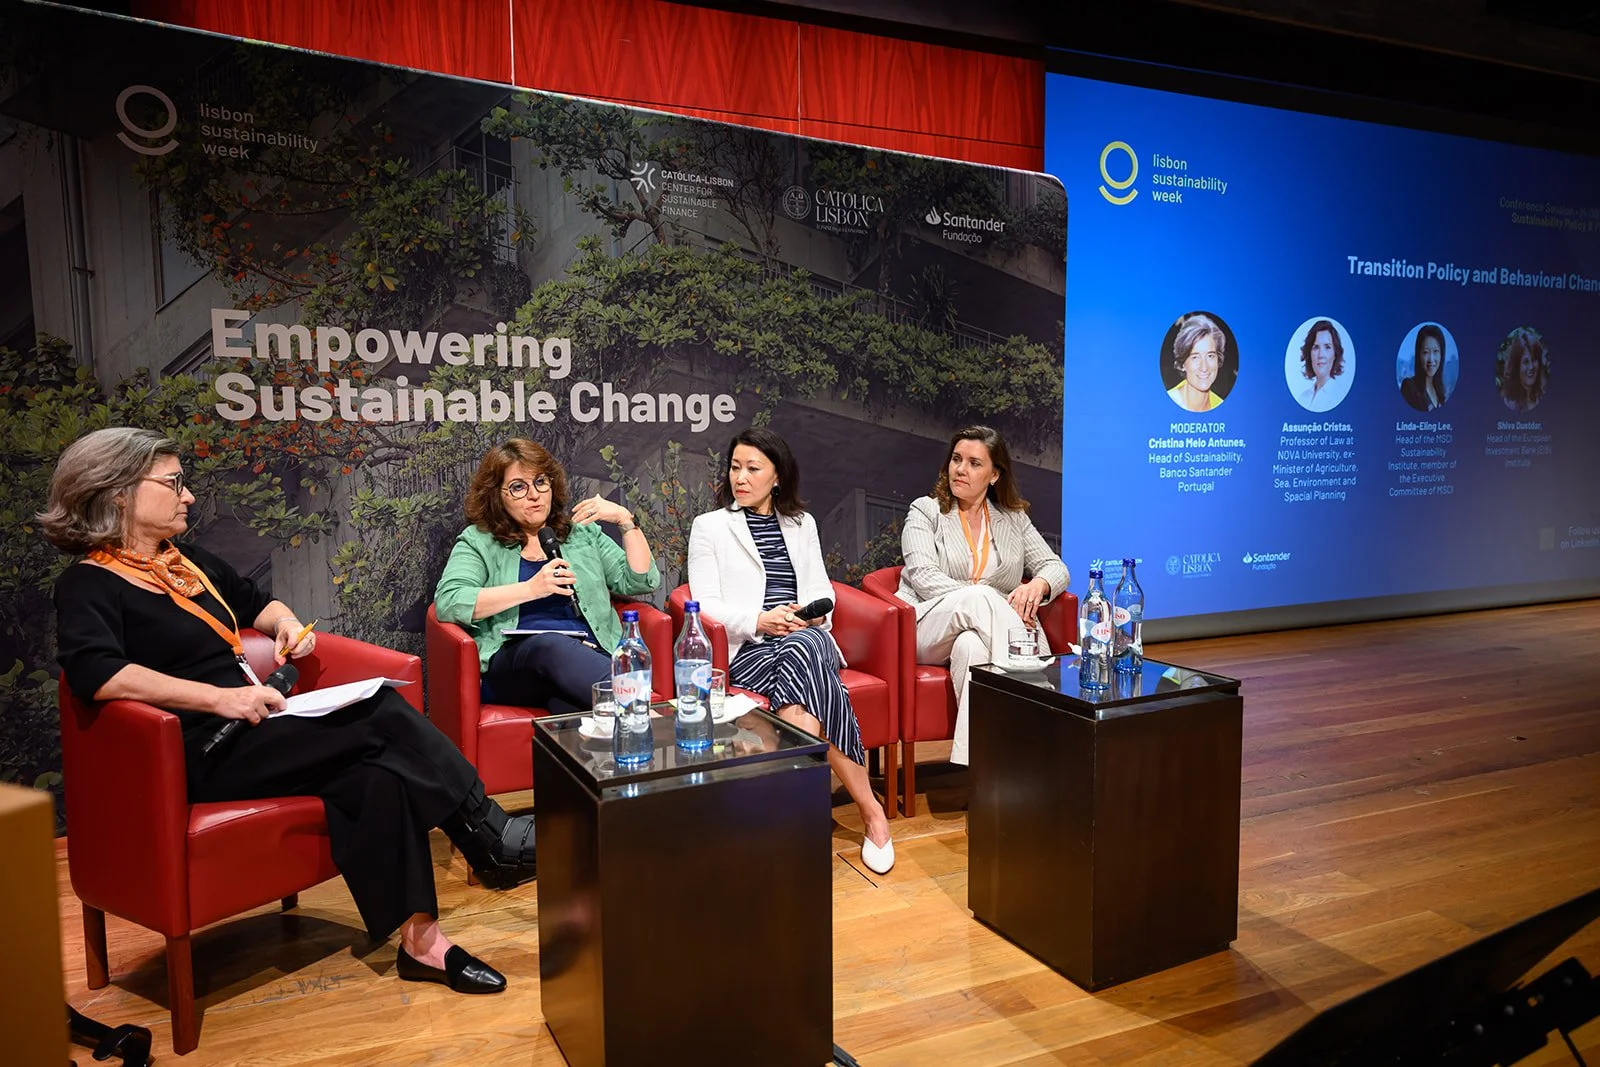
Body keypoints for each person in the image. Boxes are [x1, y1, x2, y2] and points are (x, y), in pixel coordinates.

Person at [45, 428, 537, 996]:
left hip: (253, 729)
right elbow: (95, 674)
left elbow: (258, 603)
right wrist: (223, 698)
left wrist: (282, 625)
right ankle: (490, 836)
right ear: (119, 495)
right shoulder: (89, 584)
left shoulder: (185, 562)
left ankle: (423, 944)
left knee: (377, 776)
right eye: (175, 483)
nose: (189, 497)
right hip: (198, 749)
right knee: (377, 707)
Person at [686, 427, 894, 874]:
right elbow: (705, 603)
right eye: (735, 467)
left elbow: (823, 589)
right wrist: (760, 620)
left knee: (805, 644)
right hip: (750, 648)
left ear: (776, 476)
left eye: (752, 468)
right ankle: (871, 813)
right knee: (806, 691)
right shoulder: (710, 528)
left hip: (803, 635)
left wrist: (812, 613)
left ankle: (791, 824)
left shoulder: (802, 525)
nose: (740, 477)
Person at [433, 439, 659, 712]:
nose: (534, 495)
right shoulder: (480, 541)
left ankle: (617, 737)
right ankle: (635, 703)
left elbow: (640, 580)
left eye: (541, 482)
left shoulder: (581, 534)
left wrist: (625, 520)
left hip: (586, 659)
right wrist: (531, 589)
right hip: (514, 665)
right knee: (551, 644)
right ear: (497, 495)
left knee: (569, 706)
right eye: (518, 487)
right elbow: (451, 601)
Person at [896, 426, 1070, 767]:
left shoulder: (1013, 518)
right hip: (927, 627)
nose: (960, 469)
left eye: (974, 463)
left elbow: (1055, 566)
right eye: (956, 460)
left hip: (985, 635)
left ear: (994, 475)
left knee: (971, 649)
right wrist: (990, 599)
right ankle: (1044, 695)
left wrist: (1038, 586)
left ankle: (989, 772)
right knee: (979, 598)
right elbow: (924, 577)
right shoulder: (925, 511)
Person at [1165, 313, 1228, 412]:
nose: (1204, 368)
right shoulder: (1168, 403)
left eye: (1210, 356)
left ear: (1218, 359)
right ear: (1183, 363)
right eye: (1195, 357)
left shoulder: (1222, 405)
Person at [1295, 319, 1351, 412]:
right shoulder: (1303, 397)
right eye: (1316, 347)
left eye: (1327, 347)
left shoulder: (1339, 395)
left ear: (1335, 354)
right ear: (1309, 353)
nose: (1321, 355)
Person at [1499, 326, 1548, 413]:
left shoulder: (1543, 396)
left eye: (1534, 360)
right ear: (1516, 366)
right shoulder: (1508, 402)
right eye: (1526, 362)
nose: (1531, 367)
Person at [1401, 324, 1449, 412]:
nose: (1431, 359)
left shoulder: (1441, 390)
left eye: (1436, 351)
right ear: (1418, 354)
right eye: (1426, 352)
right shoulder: (1409, 387)